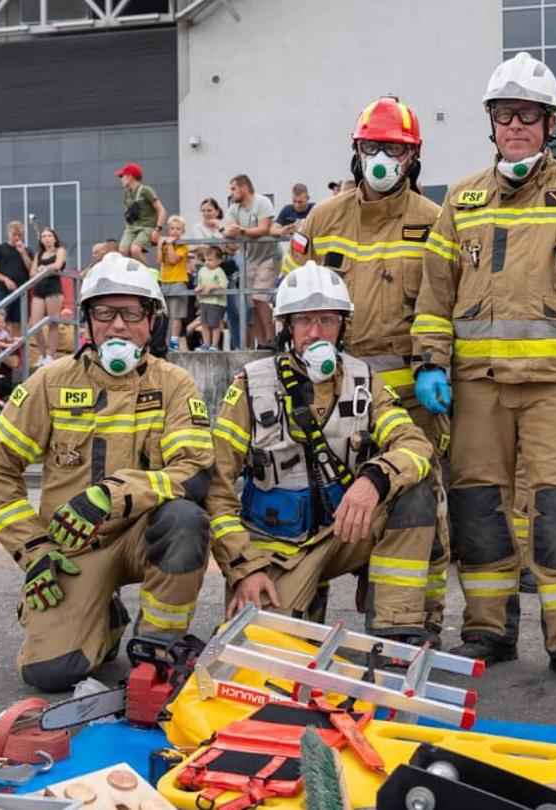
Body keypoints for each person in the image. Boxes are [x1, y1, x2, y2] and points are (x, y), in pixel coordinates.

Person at [414, 52, 556, 687]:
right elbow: (435, 295)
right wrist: (431, 362)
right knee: (479, 509)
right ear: (493, 123)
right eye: (506, 115)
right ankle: (488, 630)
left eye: (529, 116)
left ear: (549, 124)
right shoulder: (461, 197)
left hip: (554, 388)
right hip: (476, 387)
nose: (517, 126)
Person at [0, 251, 213, 692]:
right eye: (104, 312)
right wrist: (34, 550)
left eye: (131, 311)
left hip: (143, 535)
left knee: (185, 520)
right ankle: (105, 620)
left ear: (152, 320)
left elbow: (194, 471)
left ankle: (156, 646)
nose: (117, 325)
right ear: (86, 320)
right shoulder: (50, 383)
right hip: (71, 549)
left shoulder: (174, 384)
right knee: (50, 673)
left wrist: (112, 495)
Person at [284, 95, 450, 637]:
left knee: (424, 505)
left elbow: (443, 306)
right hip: (331, 398)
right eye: (374, 147)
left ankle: (417, 621)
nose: (383, 158)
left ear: (413, 158)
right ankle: (306, 606)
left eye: (395, 150)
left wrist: (435, 369)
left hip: (412, 400)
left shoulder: (434, 222)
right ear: (357, 151)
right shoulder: (322, 219)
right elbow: (293, 301)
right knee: (319, 493)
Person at [205, 264, 439, 642]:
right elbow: (216, 488)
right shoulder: (252, 386)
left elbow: (413, 444)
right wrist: (244, 567)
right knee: (261, 655)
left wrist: (374, 480)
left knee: (416, 491)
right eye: (304, 321)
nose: (315, 333)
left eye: (327, 320)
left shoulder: (363, 380)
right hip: (274, 550)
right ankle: (303, 602)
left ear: (343, 326)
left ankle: (397, 630)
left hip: (344, 533)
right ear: (286, 327)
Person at [226, 175, 282, 348]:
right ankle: (262, 342)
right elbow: (228, 231)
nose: (231, 193)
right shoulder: (234, 208)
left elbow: (264, 228)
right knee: (252, 303)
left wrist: (241, 230)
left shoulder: (262, 202)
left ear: (244, 188)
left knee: (260, 297)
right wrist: (230, 232)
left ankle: (272, 339)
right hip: (249, 258)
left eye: (234, 188)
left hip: (269, 257)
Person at [31, 227, 68, 365]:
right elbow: (32, 273)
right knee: (35, 325)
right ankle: (43, 354)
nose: (46, 238)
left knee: (53, 323)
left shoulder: (60, 250)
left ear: (54, 238)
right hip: (39, 288)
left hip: (53, 288)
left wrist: (45, 268)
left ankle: (51, 355)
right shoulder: (39, 254)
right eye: (44, 236)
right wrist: (41, 269)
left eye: (49, 236)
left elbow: (58, 265)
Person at [117, 163, 167, 264]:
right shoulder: (126, 193)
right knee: (122, 250)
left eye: (122, 176)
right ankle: (132, 274)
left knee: (135, 250)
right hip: (132, 227)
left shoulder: (146, 190)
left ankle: (150, 274)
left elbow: (161, 210)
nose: (120, 179)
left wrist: (157, 229)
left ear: (130, 176)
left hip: (147, 226)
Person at [0, 220, 34, 327]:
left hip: (22, 291)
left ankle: (17, 343)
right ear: (8, 233)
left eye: (20, 235)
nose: (17, 238)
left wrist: (23, 253)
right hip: (3, 290)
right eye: (14, 234)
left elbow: (31, 269)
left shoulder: (27, 251)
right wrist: (5, 279)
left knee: (19, 322)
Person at [157, 216, 194, 350]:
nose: (175, 231)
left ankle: (174, 340)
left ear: (183, 231)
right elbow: (158, 260)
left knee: (177, 314)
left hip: (178, 281)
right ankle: (165, 341)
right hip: (165, 280)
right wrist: (161, 245)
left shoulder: (182, 246)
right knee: (166, 313)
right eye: (172, 228)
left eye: (178, 229)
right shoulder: (166, 244)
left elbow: (173, 260)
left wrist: (170, 245)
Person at [193, 246, 231, 351]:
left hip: (216, 302)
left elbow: (224, 285)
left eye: (210, 260)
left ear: (218, 261)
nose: (207, 262)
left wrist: (211, 287)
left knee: (215, 324)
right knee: (204, 323)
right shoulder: (202, 271)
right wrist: (199, 290)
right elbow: (199, 284)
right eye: (205, 260)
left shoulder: (219, 271)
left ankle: (214, 344)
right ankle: (206, 343)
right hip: (204, 301)